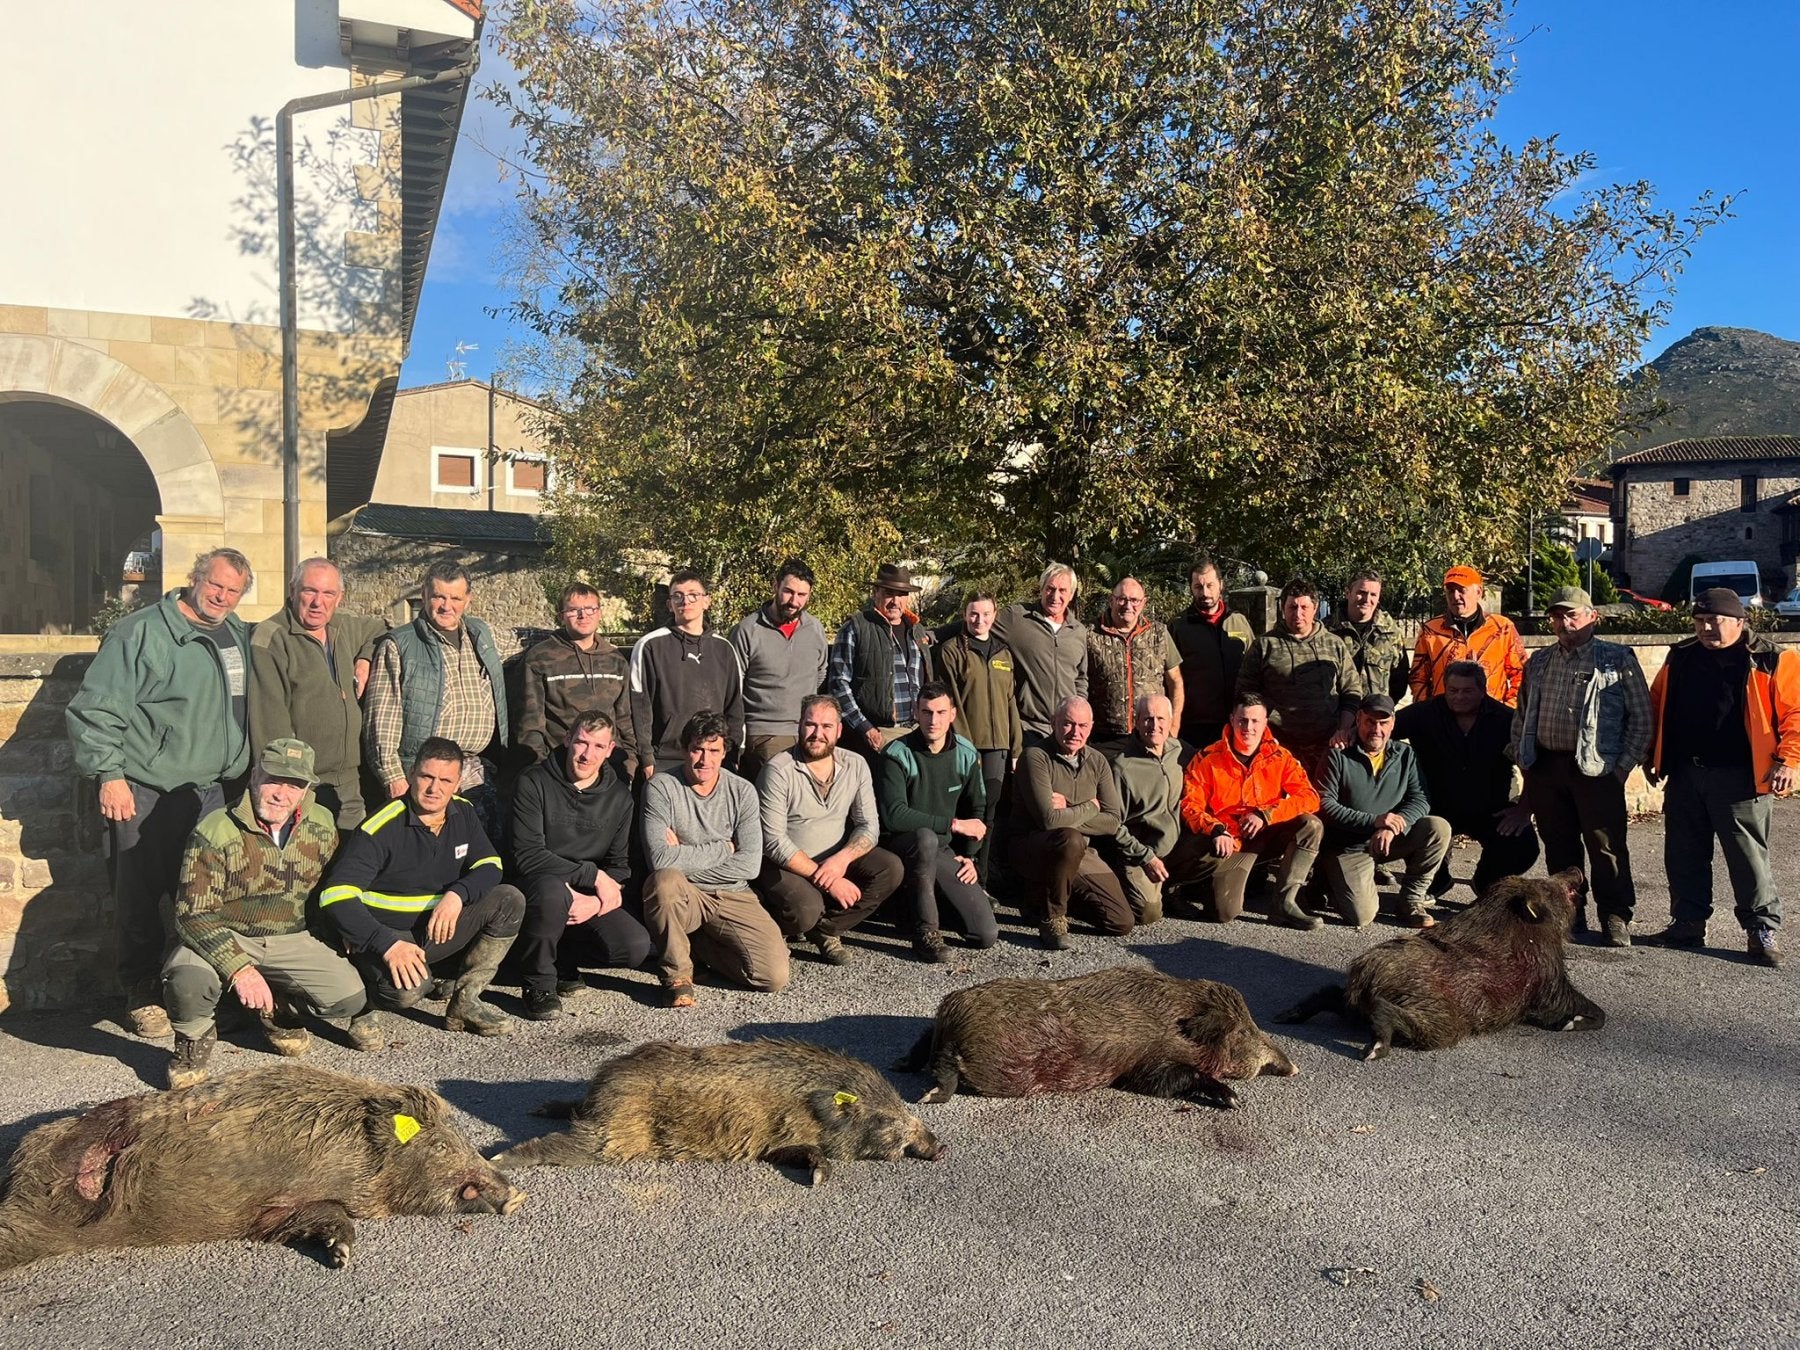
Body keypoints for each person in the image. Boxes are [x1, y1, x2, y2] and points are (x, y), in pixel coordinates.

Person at [67, 546, 255, 1038]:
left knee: (205, 896)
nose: (222, 596)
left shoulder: (235, 634)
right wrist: (109, 775)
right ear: (194, 578)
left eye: (233, 591)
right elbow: (96, 709)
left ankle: (199, 990)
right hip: (145, 788)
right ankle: (141, 991)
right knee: (138, 896)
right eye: (216, 584)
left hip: (211, 791)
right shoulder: (142, 632)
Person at [161, 739, 383, 1088]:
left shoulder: (322, 824)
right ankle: (192, 1044)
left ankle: (279, 1009)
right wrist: (241, 970)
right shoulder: (215, 830)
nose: (281, 793)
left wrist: (341, 935)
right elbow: (193, 915)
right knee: (188, 981)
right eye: (273, 779)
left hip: (290, 936)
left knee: (348, 996)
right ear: (254, 776)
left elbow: (328, 892)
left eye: (294, 784)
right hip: (224, 931)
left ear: (307, 789)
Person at [320, 738, 526, 1036]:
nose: (434, 788)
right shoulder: (381, 826)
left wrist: (457, 895)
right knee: (408, 992)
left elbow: (490, 865)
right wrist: (386, 944)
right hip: (386, 936)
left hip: (434, 928)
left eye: (445, 780)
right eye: (427, 777)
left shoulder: (463, 812)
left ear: (457, 784)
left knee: (509, 900)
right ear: (411, 773)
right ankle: (365, 1005)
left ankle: (466, 1001)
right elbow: (336, 894)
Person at [1646, 587, 1800, 967]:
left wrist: (1789, 761)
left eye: (1715, 620)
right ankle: (1687, 923)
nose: (1706, 627)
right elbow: (1656, 703)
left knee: (1748, 858)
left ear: (1739, 622)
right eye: (1700, 621)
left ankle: (1761, 929)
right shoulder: (1680, 655)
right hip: (1686, 771)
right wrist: (1653, 753)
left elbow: (1796, 713)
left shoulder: (1771, 658)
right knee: (1683, 853)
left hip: (1741, 777)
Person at [1509, 586, 1652, 947]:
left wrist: (1621, 768)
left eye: (1572, 614)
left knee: (1606, 846)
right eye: (1557, 615)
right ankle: (1571, 915)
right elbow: (1523, 714)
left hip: (1598, 770)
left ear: (1592, 617)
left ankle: (1615, 915)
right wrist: (1525, 760)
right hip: (1547, 766)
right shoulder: (1539, 661)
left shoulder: (1616, 659)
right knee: (1559, 846)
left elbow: (1642, 718)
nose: (1564, 622)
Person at [507, 711, 652, 1021]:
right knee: (552, 893)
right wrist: (591, 875)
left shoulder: (619, 798)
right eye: (582, 743)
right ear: (567, 740)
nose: (587, 755)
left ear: (610, 750)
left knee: (634, 946)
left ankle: (561, 961)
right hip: (537, 886)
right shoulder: (533, 782)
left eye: (598, 747)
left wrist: (597, 901)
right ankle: (538, 984)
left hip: (586, 895)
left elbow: (620, 865)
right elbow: (527, 855)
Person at [641, 711, 789, 1005]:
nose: (704, 760)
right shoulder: (661, 787)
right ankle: (678, 976)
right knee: (665, 882)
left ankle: (699, 946)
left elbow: (749, 864)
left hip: (734, 893)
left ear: (724, 753)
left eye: (713, 751)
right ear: (685, 749)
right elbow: (659, 860)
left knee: (773, 977)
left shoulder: (742, 791)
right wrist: (724, 848)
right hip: (686, 894)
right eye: (697, 749)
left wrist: (682, 856)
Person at [754, 696, 904, 964]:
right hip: (786, 865)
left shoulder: (856, 764)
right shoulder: (778, 770)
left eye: (826, 726)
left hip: (834, 856)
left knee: (890, 868)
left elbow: (869, 826)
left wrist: (841, 860)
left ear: (839, 730)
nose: (817, 734)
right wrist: (828, 878)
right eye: (810, 725)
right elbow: (773, 841)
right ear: (799, 727)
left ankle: (826, 930)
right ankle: (782, 925)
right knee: (804, 909)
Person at [363, 559, 509, 832]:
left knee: (481, 851)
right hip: (425, 773)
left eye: (455, 598)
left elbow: (525, 641)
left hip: (473, 770)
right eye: (439, 596)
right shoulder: (400, 645)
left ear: (468, 599)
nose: (446, 605)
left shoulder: (483, 636)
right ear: (425, 595)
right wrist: (393, 777)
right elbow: (381, 719)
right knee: (428, 853)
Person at [249, 558, 388, 830]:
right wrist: (287, 788)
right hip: (301, 785)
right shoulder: (270, 638)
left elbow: (382, 629)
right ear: (293, 590)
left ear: (340, 598)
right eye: (309, 591)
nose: (318, 602)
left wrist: (365, 658)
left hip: (349, 784)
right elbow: (270, 728)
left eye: (328, 594)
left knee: (348, 866)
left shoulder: (344, 625)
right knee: (303, 867)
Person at [1169, 693, 1324, 928]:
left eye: (1255, 721)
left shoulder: (1280, 757)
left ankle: (1285, 904)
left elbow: (1310, 797)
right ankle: (1202, 885)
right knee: (1223, 912)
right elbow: (1190, 805)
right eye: (1242, 720)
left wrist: (1266, 814)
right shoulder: (1208, 758)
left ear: (1265, 724)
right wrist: (1217, 829)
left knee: (1311, 825)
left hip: (1269, 832)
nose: (1248, 728)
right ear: (1232, 720)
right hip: (1235, 842)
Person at [1394, 660, 1540, 898]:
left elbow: (1533, 766)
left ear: (1482, 690)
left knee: (1522, 845)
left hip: (1490, 807)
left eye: (1467, 691)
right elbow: (1380, 733)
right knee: (1413, 827)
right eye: (1453, 690)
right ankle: (1436, 881)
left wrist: (1524, 809)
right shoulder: (1423, 714)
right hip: (1436, 805)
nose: (1459, 697)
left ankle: (1485, 882)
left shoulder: (1506, 719)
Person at [876, 682, 999, 961]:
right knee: (924, 837)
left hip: (942, 851)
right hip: (902, 848)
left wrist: (970, 858)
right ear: (916, 714)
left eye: (941, 712)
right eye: (927, 712)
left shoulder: (966, 753)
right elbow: (894, 815)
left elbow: (977, 809)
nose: (934, 720)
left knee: (985, 934)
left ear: (953, 714)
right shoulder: (896, 754)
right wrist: (953, 824)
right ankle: (926, 932)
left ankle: (910, 908)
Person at [1315, 694, 1452, 928]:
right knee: (1361, 916)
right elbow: (1324, 805)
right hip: (1349, 846)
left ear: (1393, 723)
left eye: (1383, 722)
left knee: (1437, 828)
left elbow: (1420, 797)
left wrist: (1392, 825)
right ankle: (1324, 880)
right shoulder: (1337, 754)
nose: (1376, 729)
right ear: (1358, 719)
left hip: (1387, 840)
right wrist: (1374, 821)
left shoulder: (1405, 754)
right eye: (1370, 721)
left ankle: (1410, 901)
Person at [1009, 696, 1134, 949]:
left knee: (1121, 922)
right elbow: (1048, 820)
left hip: (1080, 851)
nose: (1075, 732)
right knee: (1069, 838)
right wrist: (1090, 806)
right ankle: (1053, 917)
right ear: (1053, 722)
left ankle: (1042, 897)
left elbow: (1112, 820)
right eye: (1067, 724)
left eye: (1082, 726)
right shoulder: (1035, 757)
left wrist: (1069, 809)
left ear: (1091, 726)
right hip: (1034, 846)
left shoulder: (1097, 761)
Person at [931, 592, 1021, 883]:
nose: (979, 620)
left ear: (994, 615)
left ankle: (980, 880)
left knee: (988, 813)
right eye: (973, 614)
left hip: (998, 748)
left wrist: (1016, 746)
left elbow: (1010, 702)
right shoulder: (952, 650)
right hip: (965, 747)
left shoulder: (1004, 653)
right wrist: (966, 748)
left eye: (985, 614)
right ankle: (954, 877)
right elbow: (951, 701)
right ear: (964, 614)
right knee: (963, 809)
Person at [1234, 578, 1361, 776]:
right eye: (1292, 607)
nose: (1298, 614)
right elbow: (1245, 695)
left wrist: (1343, 730)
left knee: (1324, 803)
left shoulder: (1334, 644)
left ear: (1315, 608)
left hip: (1328, 745)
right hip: (1278, 747)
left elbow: (1352, 691)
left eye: (1304, 607)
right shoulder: (1265, 645)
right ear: (1283, 608)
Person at [512, 582, 637, 777]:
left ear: (599, 613)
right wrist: (540, 771)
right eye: (573, 610)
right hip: (558, 768)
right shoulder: (540, 658)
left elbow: (625, 720)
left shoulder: (616, 661)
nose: (583, 615)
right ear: (561, 615)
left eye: (590, 609)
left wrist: (629, 763)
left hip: (608, 769)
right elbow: (529, 724)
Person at [629, 571, 745, 778]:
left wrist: (733, 753)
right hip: (664, 759)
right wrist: (646, 759)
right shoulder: (650, 646)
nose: (685, 601)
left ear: (706, 601)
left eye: (693, 594)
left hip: (712, 759)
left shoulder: (724, 649)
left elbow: (734, 707)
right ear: (669, 604)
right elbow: (640, 707)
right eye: (677, 595)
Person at [731, 558, 829, 783]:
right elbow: (733, 685)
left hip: (807, 728)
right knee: (783, 787)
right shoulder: (748, 630)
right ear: (775, 586)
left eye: (802, 595)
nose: (794, 601)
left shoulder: (815, 628)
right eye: (788, 592)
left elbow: (820, 672)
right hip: (765, 730)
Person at [828, 563, 931, 759]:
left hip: (917, 733)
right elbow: (838, 684)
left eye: (901, 594)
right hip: (878, 736)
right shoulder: (856, 628)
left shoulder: (917, 631)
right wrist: (865, 728)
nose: (895, 601)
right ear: (875, 593)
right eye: (889, 593)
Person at [1108, 694, 1186, 925]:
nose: (1154, 725)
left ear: (1171, 720)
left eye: (1161, 718)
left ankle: (1173, 886)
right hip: (1141, 853)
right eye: (1147, 718)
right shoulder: (1122, 766)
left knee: (1213, 852)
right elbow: (1113, 825)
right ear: (1136, 720)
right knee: (1148, 914)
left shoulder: (1181, 751)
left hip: (1175, 847)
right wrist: (1146, 857)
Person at [1085, 577, 1183, 755]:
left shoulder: (1159, 633)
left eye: (1134, 600)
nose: (1128, 605)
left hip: (1150, 735)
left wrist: (1173, 727)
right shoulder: (1090, 633)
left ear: (1144, 602)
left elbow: (1175, 681)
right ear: (1111, 600)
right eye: (1122, 599)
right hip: (1104, 738)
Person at [994, 563, 1089, 741]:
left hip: (1067, 730)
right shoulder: (1017, 618)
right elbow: (979, 619)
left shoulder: (1079, 631)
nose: (1055, 596)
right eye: (1050, 589)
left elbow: (1081, 677)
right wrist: (931, 635)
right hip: (1028, 727)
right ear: (1041, 589)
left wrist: (1078, 707)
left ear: (1071, 594)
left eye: (1062, 590)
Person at [1168, 556, 1255, 750]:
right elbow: (1169, 677)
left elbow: (1254, 669)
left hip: (1236, 723)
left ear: (1221, 585)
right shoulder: (1179, 627)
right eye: (1198, 586)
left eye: (1210, 585)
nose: (1205, 592)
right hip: (1195, 727)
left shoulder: (1239, 622)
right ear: (1191, 588)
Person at [1411, 565, 1525, 705]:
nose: (1455, 596)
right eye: (1450, 591)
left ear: (1479, 592)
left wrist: (1509, 710)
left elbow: (1522, 673)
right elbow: (1418, 678)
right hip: (1444, 715)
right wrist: (1426, 712)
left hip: (1490, 715)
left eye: (1461, 590)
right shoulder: (1430, 630)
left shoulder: (1502, 628)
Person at [1326, 570, 1411, 705]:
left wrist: (1383, 707)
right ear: (1347, 593)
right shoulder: (1326, 632)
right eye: (1362, 593)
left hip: (1374, 719)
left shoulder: (1391, 633)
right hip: (1337, 718)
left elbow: (1400, 678)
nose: (1367, 600)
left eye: (1373, 595)